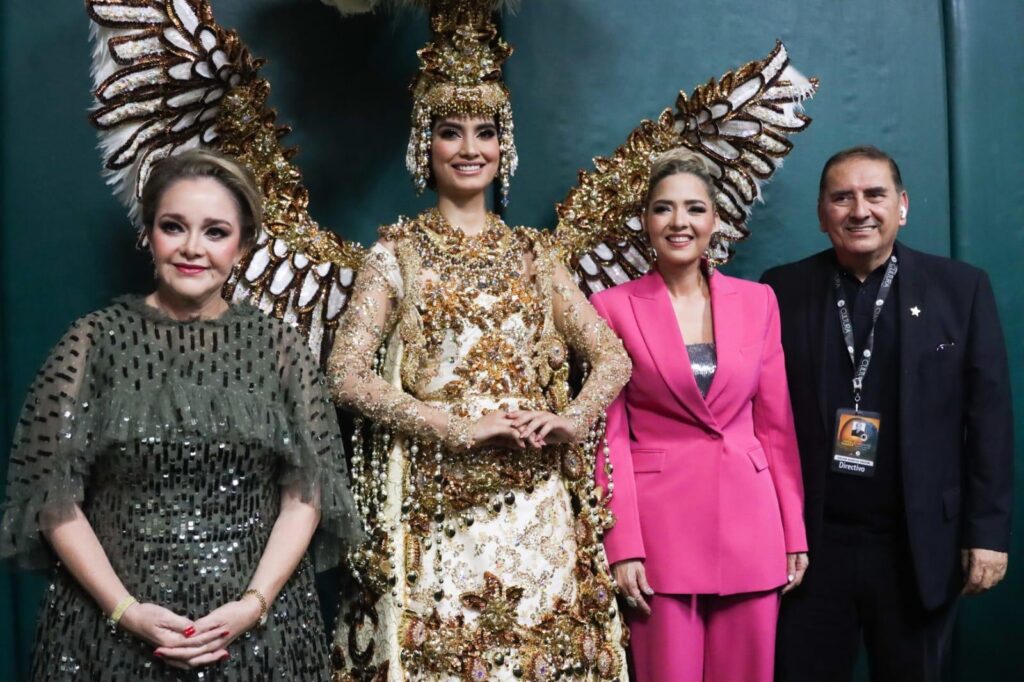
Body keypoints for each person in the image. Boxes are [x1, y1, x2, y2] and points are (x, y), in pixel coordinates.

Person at [326, 3, 631, 680]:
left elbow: (612, 356)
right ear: (423, 144)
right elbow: (345, 374)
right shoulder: (396, 256)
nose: (470, 148)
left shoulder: (537, 256)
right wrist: (455, 426)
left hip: (537, 503)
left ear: (505, 143)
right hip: (435, 501)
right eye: (450, 132)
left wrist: (569, 420)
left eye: (485, 131)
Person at [0, 149, 359, 680]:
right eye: (174, 227)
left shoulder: (281, 350)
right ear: (148, 234)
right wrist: (126, 611)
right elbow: (53, 501)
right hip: (108, 634)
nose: (193, 248)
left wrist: (253, 605)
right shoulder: (90, 344)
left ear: (244, 244)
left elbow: (305, 496)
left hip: (260, 637)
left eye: (215, 232)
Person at [762, 145, 1014, 681]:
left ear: (901, 206)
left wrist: (987, 533)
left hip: (919, 545)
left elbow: (989, 420)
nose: (860, 210)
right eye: (842, 197)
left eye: (874, 195)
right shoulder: (780, 290)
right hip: (810, 547)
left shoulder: (961, 289)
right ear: (821, 213)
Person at [589, 148, 808, 682]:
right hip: (660, 536)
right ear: (645, 222)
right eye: (664, 209)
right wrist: (623, 545)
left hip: (752, 528)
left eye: (694, 208)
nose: (679, 222)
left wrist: (793, 531)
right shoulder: (611, 307)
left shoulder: (759, 302)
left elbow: (776, 429)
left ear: (716, 219)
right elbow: (608, 437)